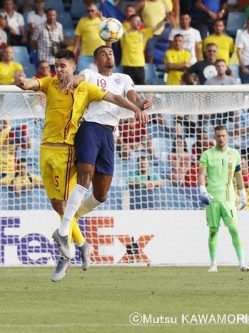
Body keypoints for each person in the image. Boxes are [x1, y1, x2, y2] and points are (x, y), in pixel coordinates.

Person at [16, 48, 148, 282]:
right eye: (57, 66)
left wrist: (136, 107)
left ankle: (68, 241)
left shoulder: (90, 86)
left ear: (73, 67)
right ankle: (80, 244)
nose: (59, 70)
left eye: (63, 66)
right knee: (58, 204)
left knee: (92, 195)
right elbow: (30, 84)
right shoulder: (51, 82)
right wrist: (21, 80)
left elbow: (117, 97)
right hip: (48, 147)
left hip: (72, 146)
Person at [55, 45, 150, 261]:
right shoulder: (90, 74)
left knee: (101, 194)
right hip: (90, 126)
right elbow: (78, 78)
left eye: (111, 52)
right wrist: (70, 79)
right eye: (104, 53)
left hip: (109, 133)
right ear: (96, 60)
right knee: (85, 175)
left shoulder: (123, 78)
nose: (109, 55)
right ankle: (63, 231)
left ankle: (67, 223)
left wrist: (142, 104)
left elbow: (133, 97)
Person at [198, 125, 249, 273]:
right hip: (212, 199)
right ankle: (213, 264)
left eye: (223, 136)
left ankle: (242, 263)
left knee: (234, 229)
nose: (221, 138)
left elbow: (238, 175)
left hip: (228, 199)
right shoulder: (207, 154)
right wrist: (202, 189)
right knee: (213, 231)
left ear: (227, 137)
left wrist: (243, 193)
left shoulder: (234, 154)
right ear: (214, 137)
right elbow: (201, 174)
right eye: (218, 136)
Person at [120, 14, 167, 85]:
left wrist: (165, 20)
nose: (139, 23)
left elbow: (156, 27)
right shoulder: (124, 33)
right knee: (127, 89)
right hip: (127, 66)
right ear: (130, 22)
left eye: (140, 21)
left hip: (140, 65)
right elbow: (113, 29)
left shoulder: (143, 33)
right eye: (136, 21)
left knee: (141, 89)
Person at [73, 2, 105, 72]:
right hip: (85, 55)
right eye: (88, 11)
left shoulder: (103, 20)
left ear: (97, 11)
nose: (90, 12)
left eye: (92, 10)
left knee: (101, 76)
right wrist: (73, 55)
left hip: (100, 54)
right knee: (81, 74)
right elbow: (77, 41)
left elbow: (109, 35)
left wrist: (101, 18)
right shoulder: (82, 21)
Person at [31, 8, 63, 73]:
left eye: (53, 15)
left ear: (56, 15)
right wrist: (38, 49)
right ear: (46, 15)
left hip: (54, 58)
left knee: (54, 78)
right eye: (49, 15)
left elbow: (61, 40)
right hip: (43, 57)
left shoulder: (59, 26)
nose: (51, 17)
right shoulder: (39, 27)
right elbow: (33, 41)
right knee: (42, 79)